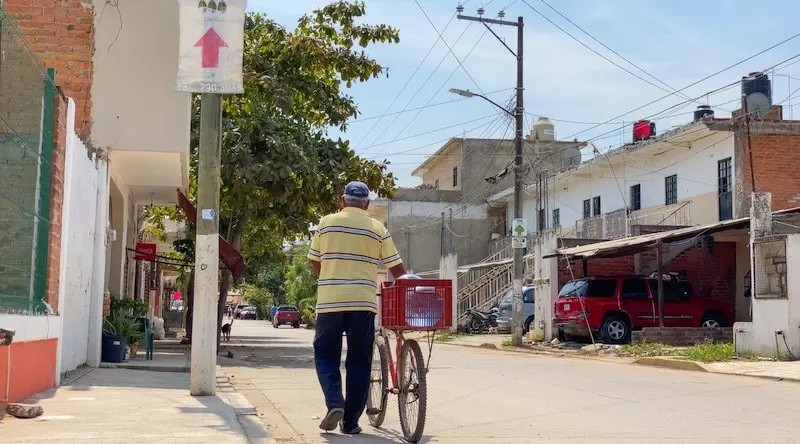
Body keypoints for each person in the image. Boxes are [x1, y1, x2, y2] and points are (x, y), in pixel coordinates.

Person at [307, 181, 406, 435]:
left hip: (330, 302)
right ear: (368, 205)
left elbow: (314, 262)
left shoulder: (325, 223)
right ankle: (350, 422)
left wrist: (330, 277)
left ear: (342, 201)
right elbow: (397, 269)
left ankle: (334, 403)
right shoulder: (377, 227)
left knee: (326, 354)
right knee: (359, 361)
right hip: (363, 303)